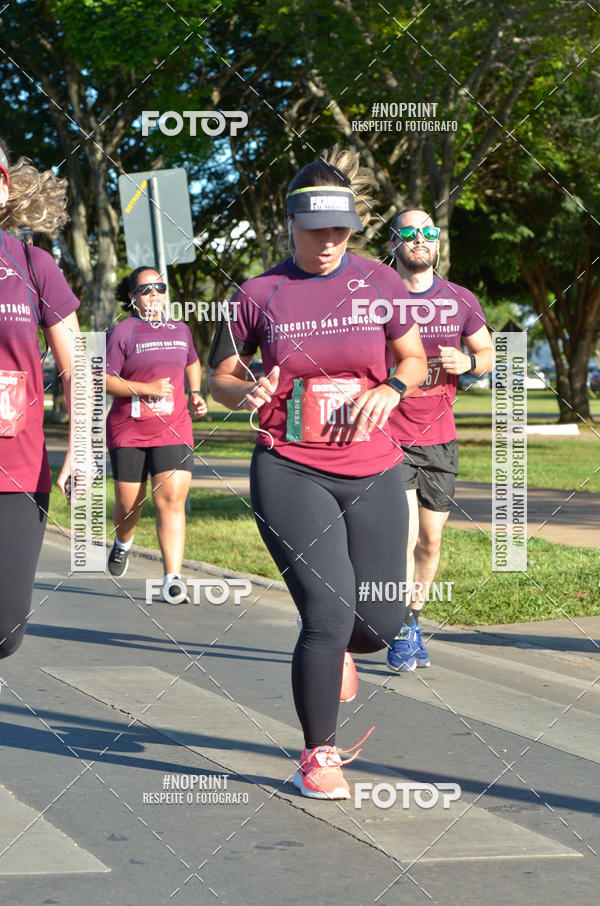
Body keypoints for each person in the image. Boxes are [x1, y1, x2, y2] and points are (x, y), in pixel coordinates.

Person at [209, 148, 427, 799]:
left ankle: (342, 657)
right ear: (291, 224)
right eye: (316, 231)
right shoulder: (258, 293)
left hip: (374, 465)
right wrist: (242, 389)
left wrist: (392, 386)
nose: (328, 243)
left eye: (341, 232)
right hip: (290, 466)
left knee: (380, 622)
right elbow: (219, 376)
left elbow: (413, 359)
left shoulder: (380, 283)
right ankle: (317, 754)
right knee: (327, 617)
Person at [385, 209, 493, 672]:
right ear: (394, 242)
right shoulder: (375, 298)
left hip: (439, 440)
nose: (421, 239)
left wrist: (468, 365)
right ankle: (394, 627)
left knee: (429, 541)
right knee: (404, 536)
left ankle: (412, 621)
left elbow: (487, 352)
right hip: (388, 435)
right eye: (410, 233)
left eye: (429, 232)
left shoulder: (459, 299)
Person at [0, 139, 81, 676]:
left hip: (18, 468)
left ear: (5, 184)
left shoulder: (33, 262)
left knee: (5, 629)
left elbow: (79, 369)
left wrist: (83, 449)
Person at [105, 268, 207, 601]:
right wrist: (147, 388)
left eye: (159, 288)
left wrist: (194, 392)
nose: (154, 294)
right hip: (129, 430)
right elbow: (105, 379)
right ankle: (123, 542)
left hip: (173, 427)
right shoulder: (123, 332)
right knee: (128, 504)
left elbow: (192, 362)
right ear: (132, 297)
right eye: (146, 289)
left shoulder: (180, 330)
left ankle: (172, 578)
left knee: (171, 501)